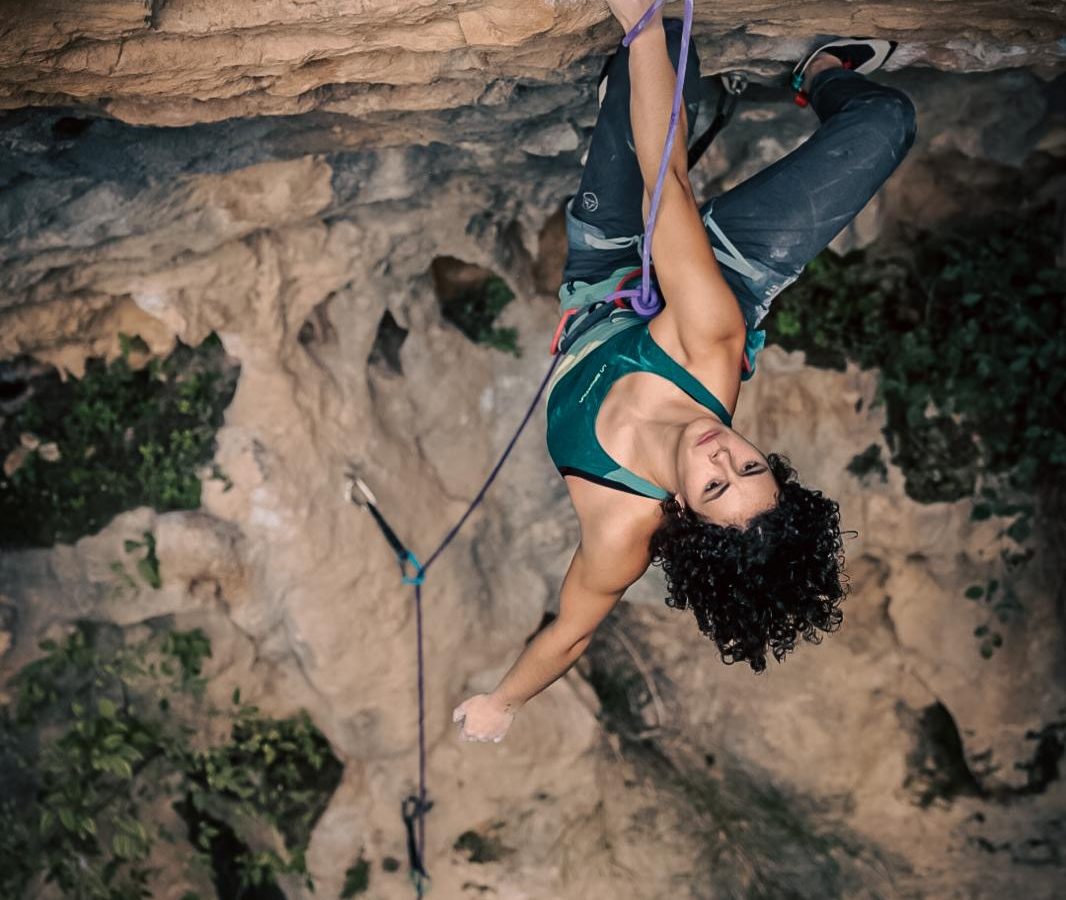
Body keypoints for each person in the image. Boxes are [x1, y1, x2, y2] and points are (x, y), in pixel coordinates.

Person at [453, 1, 916, 742]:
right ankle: (824, 74)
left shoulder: (619, 527)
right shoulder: (710, 351)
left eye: (713, 485)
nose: (719, 452)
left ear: (681, 514)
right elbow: (663, 180)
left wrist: (504, 701)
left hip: (608, 273)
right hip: (725, 281)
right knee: (886, 122)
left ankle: (640, 82)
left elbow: (571, 633)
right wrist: (636, 26)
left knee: (667, 50)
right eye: (750, 463)